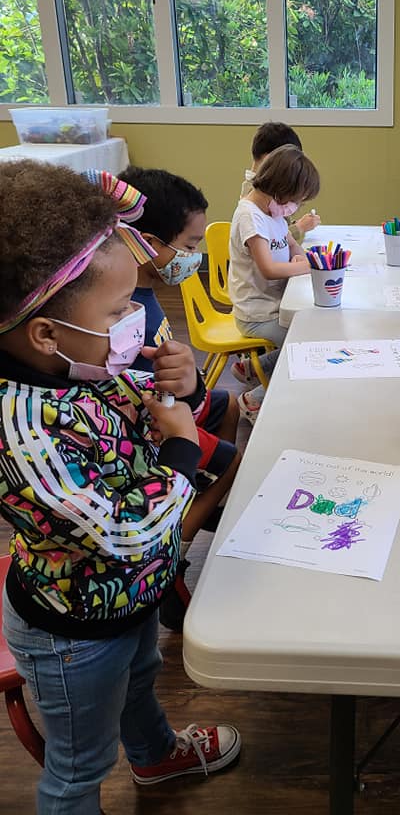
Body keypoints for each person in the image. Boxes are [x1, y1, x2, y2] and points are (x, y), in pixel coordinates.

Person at [0, 161, 240, 815]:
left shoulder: (77, 362)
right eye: (118, 310)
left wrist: (181, 386)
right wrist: (183, 450)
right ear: (46, 333)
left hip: (128, 599)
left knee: (139, 681)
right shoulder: (23, 431)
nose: (135, 319)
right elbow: (124, 533)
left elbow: (135, 400)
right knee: (80, 766)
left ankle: (155, 756)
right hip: (72, 630)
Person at [118, 165, 244, 630]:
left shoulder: (146, 291)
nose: (194, 258)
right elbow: (137, 398)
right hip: (149, 427)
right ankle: (174, 551)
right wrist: (184, 410)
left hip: (173, 403)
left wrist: (192, 390)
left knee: (229, 404)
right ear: (149, 243)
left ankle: (195, 502)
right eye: (189, 246)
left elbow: (178, 386)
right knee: (231, 460)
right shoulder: (123, 307)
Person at [229, 144, 320, 423]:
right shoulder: (250, 216)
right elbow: (268, 269)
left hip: (275, 306)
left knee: (314, 329)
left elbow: (292, 244)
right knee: (308, 346)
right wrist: (307, 266)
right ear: (280, 189)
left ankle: (254, 367)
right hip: (256, 314)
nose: (295, 207)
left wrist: (302, 257)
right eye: (296, 200)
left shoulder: (273, 212)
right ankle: (253, 400)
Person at [241, 122, 321, 241]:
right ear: (272, 158)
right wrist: (299, 227)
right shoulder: (255, 196)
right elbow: (270, 239)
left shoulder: (267, 188)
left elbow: (278, 227)